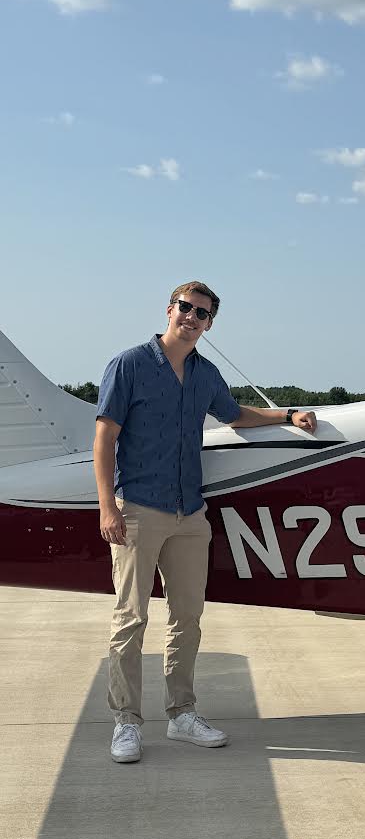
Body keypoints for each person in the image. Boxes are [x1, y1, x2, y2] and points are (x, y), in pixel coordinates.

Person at [94, 281, 316, 763]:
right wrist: (107, 506)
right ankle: (126, 722)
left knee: (188, 618)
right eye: (186, 308)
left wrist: (288, 412)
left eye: (203, 314)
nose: (192, 317)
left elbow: (236, 415)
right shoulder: (128, 365)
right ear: (169, 310)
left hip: (189, 513)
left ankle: (181, 714)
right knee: (131, 618)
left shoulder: (204, 373)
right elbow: (105, 436)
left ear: (210, 324)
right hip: (138, 509)